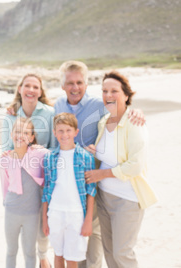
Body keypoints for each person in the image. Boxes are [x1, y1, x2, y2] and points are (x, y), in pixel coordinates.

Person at [54, 60, 146, 268]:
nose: (75, 87)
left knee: (96, 238)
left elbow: (121, 111)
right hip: (70, 185)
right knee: (78, 239)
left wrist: (136, 111)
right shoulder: (58, 105)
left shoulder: (99, 106)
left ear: (86, 84)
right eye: (70, 83)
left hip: (94, 184)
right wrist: (15, 108)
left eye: (79, 82)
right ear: (62, 86)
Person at [84, 71, 158, 268]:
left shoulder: (134, 123)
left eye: (114, 91)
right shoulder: (103, 121)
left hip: (128, 200)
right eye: (105, 91)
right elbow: (106, 156)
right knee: (109, 251)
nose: (108, 95)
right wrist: (92, 152)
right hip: (104, 197)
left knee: (122, 252)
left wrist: (102, 174)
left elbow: (135, 166)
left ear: (126, 95)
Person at [1, 73, 55, 268]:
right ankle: (41, 257)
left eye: (35, 87)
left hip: (42, 173)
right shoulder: (11, 113)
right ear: (20, 89)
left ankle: (43, 257)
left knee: (42, 228)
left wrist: (39, 156)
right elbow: (6, 146)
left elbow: (55, 147)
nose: (31, 90)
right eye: (27, 86)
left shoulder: (50, 113)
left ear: (40, 92)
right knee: (19, 241)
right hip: (20, 173)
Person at [42, 113, 97, 268]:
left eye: (68, 130)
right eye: (60, 130)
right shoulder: (50, 158)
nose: (64, 134)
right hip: (55, 212)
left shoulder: (85, 157)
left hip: (76, 214)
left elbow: (91, 191)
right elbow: (46, 190)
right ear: (54, 133)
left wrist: (88, 220)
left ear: (75, 132)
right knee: (58, 254)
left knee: (72, 258)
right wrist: (45, 219)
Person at [0, 117, 49, 268]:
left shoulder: (39, 154)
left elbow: (56, 156)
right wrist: (6, 203)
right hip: (12, 211)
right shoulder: (5, 159)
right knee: (11, 250)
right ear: (11, 134)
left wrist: (40, 149)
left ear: (32, 137)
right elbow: (4, 186)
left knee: (29, 251)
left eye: (26, 132)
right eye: (17, 131)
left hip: (32, 213)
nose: (20, 135)